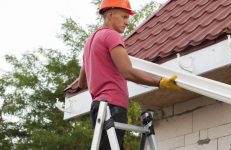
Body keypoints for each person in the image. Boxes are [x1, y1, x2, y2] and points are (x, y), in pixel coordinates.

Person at [67, 0, 181, 149]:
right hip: (112, 106)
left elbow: (82, 83)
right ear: (111, 15)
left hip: (98, 107)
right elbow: (127, 71)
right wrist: (160, 82)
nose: (127, 22)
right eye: (124, 17)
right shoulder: (111, 36)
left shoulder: (90, 42)